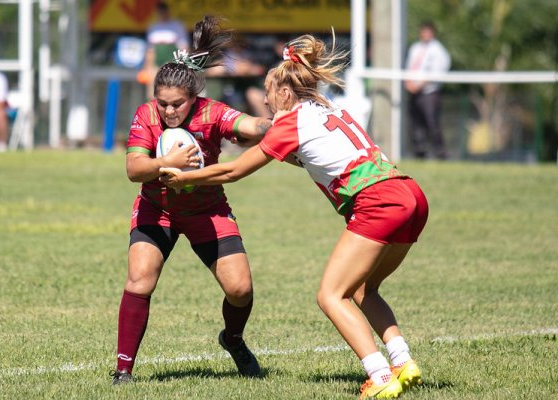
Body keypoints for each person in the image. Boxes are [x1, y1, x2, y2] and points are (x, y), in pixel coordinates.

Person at [161, 34, 429, 399]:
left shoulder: (293, 121)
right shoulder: (330, 110)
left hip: (378, 202)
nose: (267, 103)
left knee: (331, 296)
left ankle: (380, 376)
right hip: (409, 193)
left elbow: (233, 172)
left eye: (269, 95)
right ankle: (402, 361)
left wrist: (185, 177)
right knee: (365, 288)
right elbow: (304, 153)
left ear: (285, 93)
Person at [110, 15, 272, 385]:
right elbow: (134, 169)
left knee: (240, 289)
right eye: (163, 103)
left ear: (193, 98)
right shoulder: (146, 115)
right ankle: (124, 370)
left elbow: (249, 127)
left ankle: (232, 340)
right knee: (139, 281)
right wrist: (168, 163)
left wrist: (276, 126)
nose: (169, 111)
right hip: (158, 209)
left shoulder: (211, 113)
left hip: (207, 209)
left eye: (177, 104)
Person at [404, 21, 451, 160]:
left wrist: (419, 85)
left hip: (430, 93)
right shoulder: (415, 48)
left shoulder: (438, 50)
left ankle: (440, 152)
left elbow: (436, 72)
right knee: (415, 124)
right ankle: (419, 152)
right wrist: (409, 83)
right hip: (414, 92)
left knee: (432, 123)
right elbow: (409, 67)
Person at [137, 1, 190, 100]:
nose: (162, 13)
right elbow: (150, 50)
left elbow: (184, 48)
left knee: (170, 86)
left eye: (163, 11)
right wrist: (146, 67)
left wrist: (183, 65)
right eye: (159, 11)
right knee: (152, 86)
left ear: (168, 11)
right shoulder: (153, 27)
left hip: (171, 59)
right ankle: (152, 110)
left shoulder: (177, 26)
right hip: (156, 60)